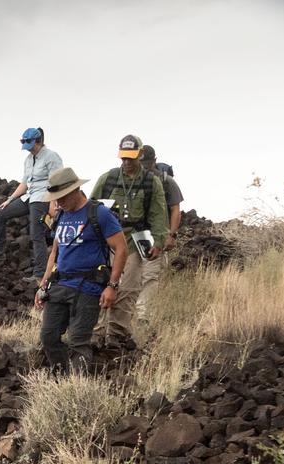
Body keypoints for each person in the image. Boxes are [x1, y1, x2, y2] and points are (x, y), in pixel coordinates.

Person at [34, 168, 129, 374]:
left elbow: (121, 248)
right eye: (55, 199)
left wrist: (112, 286)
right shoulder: (61, 216)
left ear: (75, 190)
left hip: (88, 288)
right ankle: (62, 378)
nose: (58, 203)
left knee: (78, 340)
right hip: (60, 285)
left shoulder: (99, 214)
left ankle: (78, 388)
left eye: (62, 198)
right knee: (48, 336)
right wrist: (43, 284)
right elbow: (55, 253)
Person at [89, 135, 170, 349]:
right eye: (123, 158)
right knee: (99, 284)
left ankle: (116, 333)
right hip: (107, 240)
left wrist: (159, 241)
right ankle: (95, 333)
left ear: (140, 155)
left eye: (131, 158)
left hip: (134, 239)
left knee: (130, 287)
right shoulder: (108, 179)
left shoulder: (151, 183)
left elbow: (158, 214)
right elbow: (91, 207)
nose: (126, 162)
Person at [0, 127, 63, 280]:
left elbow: (56, 181)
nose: (29, 150)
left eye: (31, 146)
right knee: (0, 213)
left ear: (39, 141)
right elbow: (24, 183)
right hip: (29, 196)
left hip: (43, 197)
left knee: (36, 234)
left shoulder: (52, 156)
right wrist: (9, 200)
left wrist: (53, 203)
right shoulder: (29, 159)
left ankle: (39, 274)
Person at [136, 144, 186, 324]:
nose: (144, 167)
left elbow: (175, 209)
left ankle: (143, 316)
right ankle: (135, 312)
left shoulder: (167, 182)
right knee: (134, 274)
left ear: (154, 161)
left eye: (147, 163)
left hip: (156, 234)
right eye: (141, 163)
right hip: (135, 234)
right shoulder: (130, 181)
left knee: (150, 275)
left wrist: (171, 235)